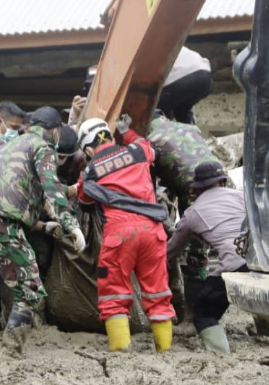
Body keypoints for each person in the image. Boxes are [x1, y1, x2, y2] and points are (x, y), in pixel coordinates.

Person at [0, 107, 85, 354]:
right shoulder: (42, 147)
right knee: (30, 288)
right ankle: (11, 352)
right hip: (1, 223)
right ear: (55, 131)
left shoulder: (5, 147)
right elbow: (52, 188)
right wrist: (71, 224)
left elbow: (4, 190)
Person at [76, 115, 175, 353]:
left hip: (119, 235)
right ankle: (164, 350)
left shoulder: (89, 171)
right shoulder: (137, 151)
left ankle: (121, 352)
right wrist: (126, 130)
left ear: (88, 149)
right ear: (110, 137)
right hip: (152, 231)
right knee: (158, 291)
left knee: (113, 293)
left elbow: (85, 202)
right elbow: (148, 146)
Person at [166, 161, 247, 353]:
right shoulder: (242, 197)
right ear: (222, 182)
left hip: (234, 266)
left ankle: (220, 353)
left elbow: (171, 251)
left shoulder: (193, 213)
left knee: (204, 313)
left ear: (197, 188)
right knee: (259, 297)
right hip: (264, 263)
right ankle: (267, 330)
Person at [146, 110, 219, 211]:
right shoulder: (190, 127)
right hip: (222, 178)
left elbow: (150, 187)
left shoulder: (150, 140)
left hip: (194, 188)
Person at [158, 46, 213, 125]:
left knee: (155, 108)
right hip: (205, 76)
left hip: (180, 79)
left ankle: (163, 128)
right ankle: (190, 129)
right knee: (182, 108)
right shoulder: (170, 45)